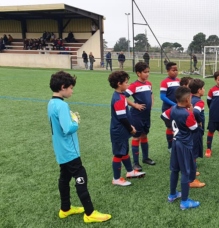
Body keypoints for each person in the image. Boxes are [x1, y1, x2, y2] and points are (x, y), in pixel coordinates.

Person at [47, 71, 111, 223]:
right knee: (80, 175)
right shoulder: (62, 105)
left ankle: (65, 209)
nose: (72, 91)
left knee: (64, 177)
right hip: (69, 150)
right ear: (63, 87)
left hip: (60, 149)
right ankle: (89, 213)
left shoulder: (51, 103)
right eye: (70, 88)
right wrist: (75, 121)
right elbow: (68, 128)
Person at [161, 86, 201, 210]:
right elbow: (195, 128)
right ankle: (184, 202)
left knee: (174, 170)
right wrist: (192, 111)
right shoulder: (187, 114)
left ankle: (172, 195)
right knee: (185, 172)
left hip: (175, 142)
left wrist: (173, 129)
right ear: (188, 99)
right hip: (185, 145)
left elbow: (163, 116)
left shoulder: (172, 108)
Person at [108, 71, 146, 187]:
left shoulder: (121, 95)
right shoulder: (118, 99)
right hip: (119, 131)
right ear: (119, 84)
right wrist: (131, 129)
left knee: (124, 151)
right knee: (119, 154)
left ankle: (130, 172)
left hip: (122, 130)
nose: (128, 84)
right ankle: (116, 178)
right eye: (126, 82)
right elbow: (122, 118)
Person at [124, 62, 156, 172]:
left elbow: (151, 94)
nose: (147, 74)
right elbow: (123, 97)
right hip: (136, 116)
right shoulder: (134, 85)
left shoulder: (149, 84)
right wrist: (135, 105)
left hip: (146, 116)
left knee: (144, 135)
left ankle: (145, 158)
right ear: (138, 73)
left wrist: (151, 103)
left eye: (148, 72)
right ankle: (136, 163)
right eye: (145, 72)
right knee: (136, 137)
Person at [188, 79, 206, 188]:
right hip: (195, 129)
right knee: (193, 153)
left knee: (191, 152)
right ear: (199, 90)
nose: (204, 90)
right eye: (203, 88)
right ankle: (192, 180)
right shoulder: (199, 101)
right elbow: (195, 112)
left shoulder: (189, 98)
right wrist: (199, 121)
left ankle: (192, 172)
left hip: (188, 129)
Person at [160, 62, 180, 153]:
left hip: (178, 108)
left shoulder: (179, 81)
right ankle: (170, 146)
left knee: (178, 127)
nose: (175, 72)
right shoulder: (165, 82)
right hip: (168, 109)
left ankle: (177, 144)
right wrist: (174, 104)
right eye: (173, 70)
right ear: (168, 71)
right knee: (170, 128)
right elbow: (162, 96)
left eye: (176, 70)